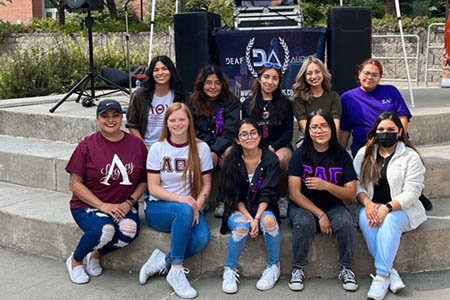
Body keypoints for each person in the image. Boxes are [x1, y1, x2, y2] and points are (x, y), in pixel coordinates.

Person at [65, 99, 148, 284]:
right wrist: (102, 205)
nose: (110, 120)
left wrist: (129, 203)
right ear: (97, 119)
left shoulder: (136, 144)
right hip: (89, 205)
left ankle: (95, 253)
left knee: (128, 231)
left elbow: (144, 180)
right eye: (105, 116)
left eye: (115, 115)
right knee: (105, 230)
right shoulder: (87, 145)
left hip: (123, 205)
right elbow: (75, 184)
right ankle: (75, 260)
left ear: (122, 118)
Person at [138, 103, 213, 299]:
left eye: (182, 119)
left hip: (190, 208)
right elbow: (153, 188)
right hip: (158, 208)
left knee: (202, 238)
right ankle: (176, 270)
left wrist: (197, 203)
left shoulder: (201, 148)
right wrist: (184, 201)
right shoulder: (157, 148)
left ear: (189, 122)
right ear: (166, 123)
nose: (177, 124)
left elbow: (206, 186)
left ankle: (162, 260)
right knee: (183, 210)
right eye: (172, 120)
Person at [339, 58, 432, 211]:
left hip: (393, 139)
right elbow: (344, 129)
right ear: (359, 74)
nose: (369, 77)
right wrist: (340, 151)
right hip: (366, 144)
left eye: (375, 75)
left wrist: (398, 137)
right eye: (366, 73)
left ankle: (416, 194)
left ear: (380, 77)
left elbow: (402, 118)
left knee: (412, 161)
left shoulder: (391, 91)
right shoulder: (347, 97)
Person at [353, 112, 427, 300]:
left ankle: (381, 276)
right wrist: (367, 203)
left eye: (391, 130)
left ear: (400, 132)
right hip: (370, 205)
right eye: (381, 130)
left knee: (390, 221)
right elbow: (356, 184)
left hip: (402, 210)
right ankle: (390, 272)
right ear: (375, 132)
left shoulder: (410, 157)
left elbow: (412, 193)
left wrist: (386, 207)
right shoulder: (364, 153)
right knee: (365, 217)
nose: (385, 133)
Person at [287, 109, 358, 292]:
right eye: (314, 127)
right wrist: (320, 214)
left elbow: (351, 196)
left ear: (331, 129)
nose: (319, 131)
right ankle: (298, 267)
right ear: (308, 131)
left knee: (346, 223)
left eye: (324, 126)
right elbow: (294, 193)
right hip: (302, 206)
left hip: (333, 204)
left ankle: (346, 268)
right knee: (303, 223)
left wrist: (326, 185)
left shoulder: (341, 155)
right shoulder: (300, 154)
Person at [219, 118, 281, 294]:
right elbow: (232, 195)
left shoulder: (271, 159)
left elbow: (269, 192)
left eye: (253, 132)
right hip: (238, 208)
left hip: (263, 207)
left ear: (260, 136)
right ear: (237, 139)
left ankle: (274, 267)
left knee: (269, 222)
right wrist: (249, 218)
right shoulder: (231, 160)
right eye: (244, 134)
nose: (249, 137)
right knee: (241, 226)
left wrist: (258, 218)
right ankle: (229, 270)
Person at [187, 65, 240, 217]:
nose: (213, 87)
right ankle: (201, 198)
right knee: (204, 155)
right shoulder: (192, 102)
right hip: (201, 143)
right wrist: (212, 150)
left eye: (217, 83)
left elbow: (231, 131)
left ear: (223, 84)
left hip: (226, 143)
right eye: (208, 82)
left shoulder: (232, 102)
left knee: (230, 154)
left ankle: (225, 200)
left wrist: (216, 149)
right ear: (201, 84)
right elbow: (193, 130)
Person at [242, 62, 293, 218]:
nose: (270, 82)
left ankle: (282, 198)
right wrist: (262, 147)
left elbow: (288, 133)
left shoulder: (285, 103)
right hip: (255, 145)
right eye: (266, 77)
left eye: (275, 78)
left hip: (279, 145)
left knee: (281, 159)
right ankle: (246, 198)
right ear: (259, 78)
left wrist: (272, 147)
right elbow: (246, 131)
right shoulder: (248, 103)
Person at [126, 55, 185, 149]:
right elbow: (132, 124)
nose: (160, 73)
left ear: (171, 71)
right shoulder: (140, 95)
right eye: (156, 70)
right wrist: (144, 147)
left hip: (173, 146)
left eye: (164, 69)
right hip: (147, 146)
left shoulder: (180, 95)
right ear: (151, 73)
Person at [291, 56, 341, 135]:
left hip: (330, 138)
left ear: (323, 73)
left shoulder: (334, 97)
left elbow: (335, 126)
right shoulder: (298, 99)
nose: (314, 76)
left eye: (317, 72)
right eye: (309, 73)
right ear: (304, 76)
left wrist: (325, 140)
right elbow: (304, 126)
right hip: (307, 139)